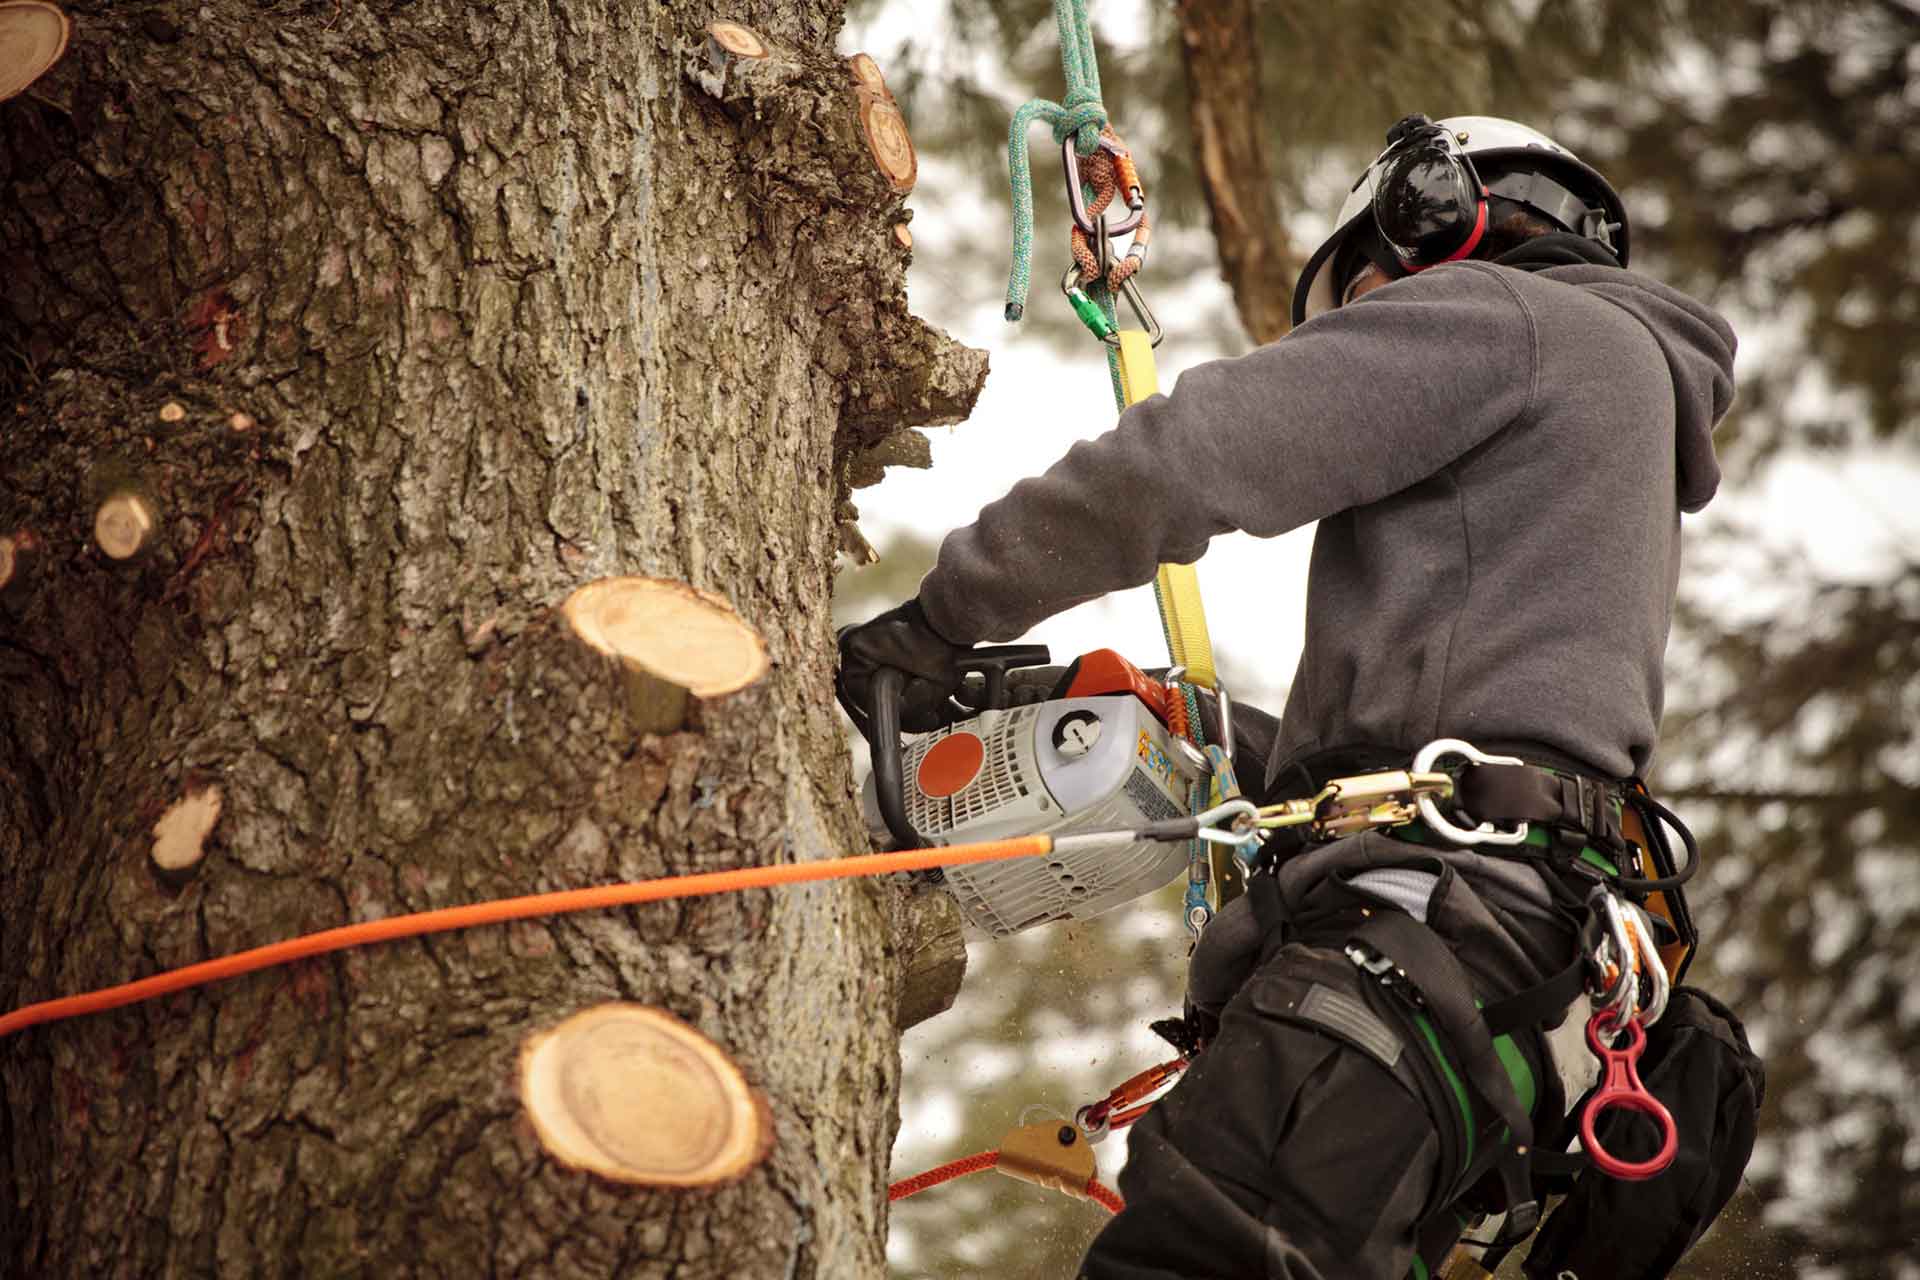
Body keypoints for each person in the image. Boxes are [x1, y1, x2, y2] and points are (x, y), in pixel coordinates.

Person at [839, 114, 1750, 1279]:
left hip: (1411, 949)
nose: (1367, 326)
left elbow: (1192, 458)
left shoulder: (1509, 315)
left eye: (1365, 294)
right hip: (1510, 977)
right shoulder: (1617, 403)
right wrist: (1204, 731)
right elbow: (1476, 742)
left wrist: (937, 619)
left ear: (1438, 219)